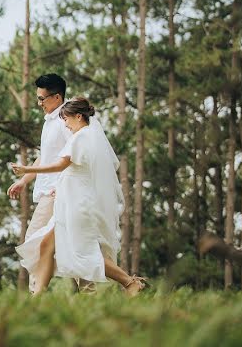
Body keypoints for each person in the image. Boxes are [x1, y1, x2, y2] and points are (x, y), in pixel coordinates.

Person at [11, 97, 146, 296]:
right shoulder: (86, 137)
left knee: (83, 252)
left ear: (78, 116)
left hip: (77, 205)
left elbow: (60, 165)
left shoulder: (81, 137)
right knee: (46, 245)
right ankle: (37, 298)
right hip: (69, 201)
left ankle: (129, 282)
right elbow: (75, 171)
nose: (65, 124)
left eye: (66, 119)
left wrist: (27, 168)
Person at [7, 73, 86, 292]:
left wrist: (63, 188)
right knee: (65, 244)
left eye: (42, 98)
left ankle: (36, 293)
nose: (39, 103)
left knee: (34, 241)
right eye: (38, 98)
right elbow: (47, 155)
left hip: (57, 192)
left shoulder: (65, 121)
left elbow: (74, 155)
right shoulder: (50, 121)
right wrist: (24, 181)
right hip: (48, 191)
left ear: (57, 97)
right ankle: (91, 291)